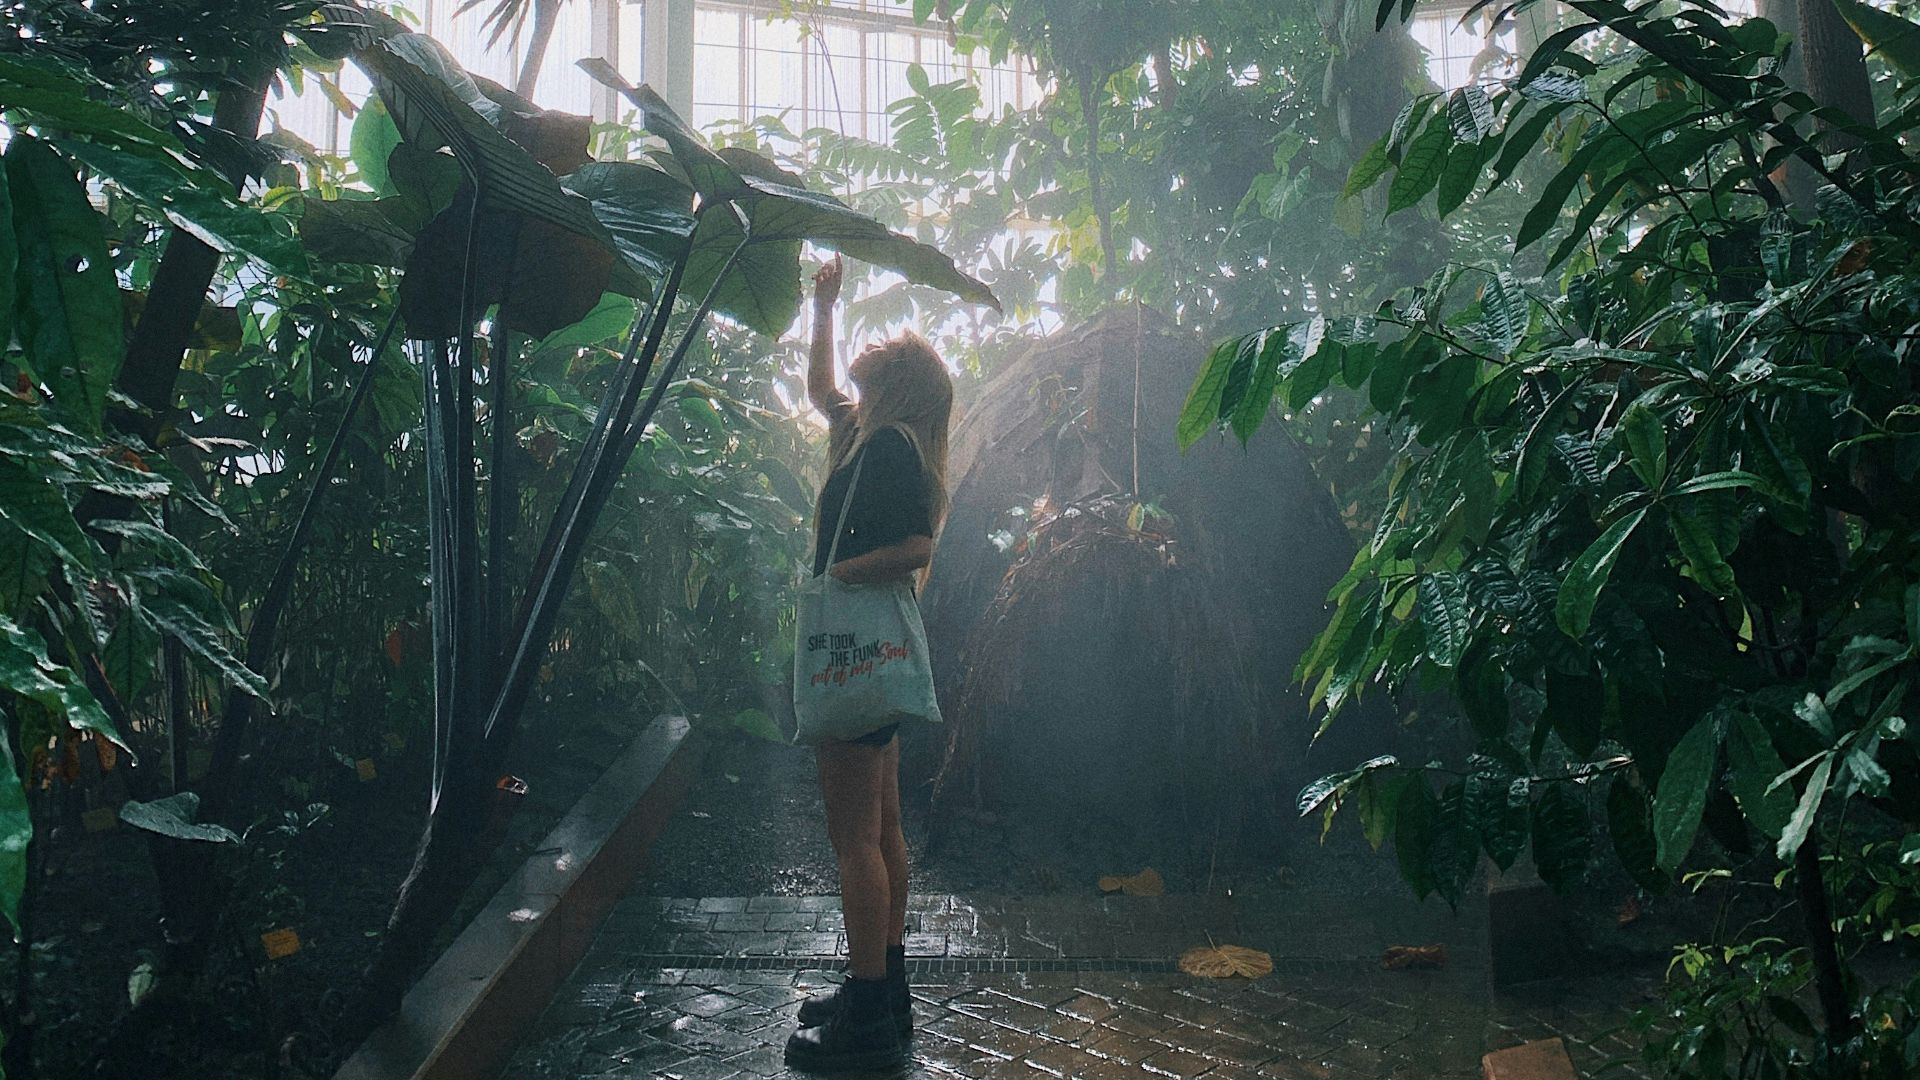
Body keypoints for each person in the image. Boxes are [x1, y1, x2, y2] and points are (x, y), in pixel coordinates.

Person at [784, 255, 952, 1072]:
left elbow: (917, 542)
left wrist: (844, 574)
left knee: (854, 837)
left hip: (852, 654)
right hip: (873, 662)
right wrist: (824, 307)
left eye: (892, 346)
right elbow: (822, 389)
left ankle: (869, 1027)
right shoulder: (868, 431)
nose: (877, 343)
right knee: (881, 829)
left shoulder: (888, 447)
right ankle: (882, 993)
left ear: (904, 378)